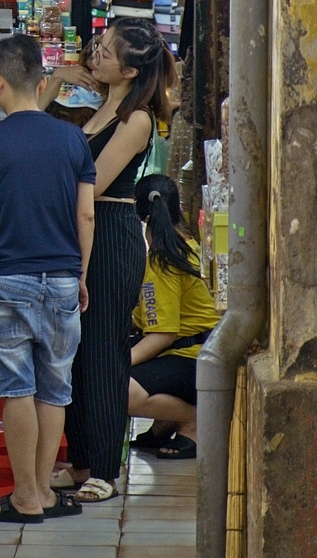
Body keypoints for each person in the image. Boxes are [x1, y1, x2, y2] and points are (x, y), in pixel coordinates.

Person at [0, 34, 97, 523]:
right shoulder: (73, 139)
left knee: (16, 389)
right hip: (63, 279)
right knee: (54, 389)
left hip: (6, 280)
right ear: (43, 83)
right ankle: (45, 492)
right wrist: (80, 275)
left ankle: (25, 497)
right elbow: (86, 215)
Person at [41, 17, 177, 503]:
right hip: (83, 231)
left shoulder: (136, 119)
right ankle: (80, 461)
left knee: (103, 353)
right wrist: (56, 80)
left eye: (105, 50)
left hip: (112, 236)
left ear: (129, 70)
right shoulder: (100, 106)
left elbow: (94, 183)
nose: (95, 54)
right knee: (77, 354)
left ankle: (104, 469)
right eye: (98, 46)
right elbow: (33, 125)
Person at [126, 173, 216, 460]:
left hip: (190, 359)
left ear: (143, 218)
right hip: (203, 354)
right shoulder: (188, 245)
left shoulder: (163, 261)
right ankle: (165, 421)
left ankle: (191, 419)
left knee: (116, 388)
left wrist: (117, 363)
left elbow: (162, 335)